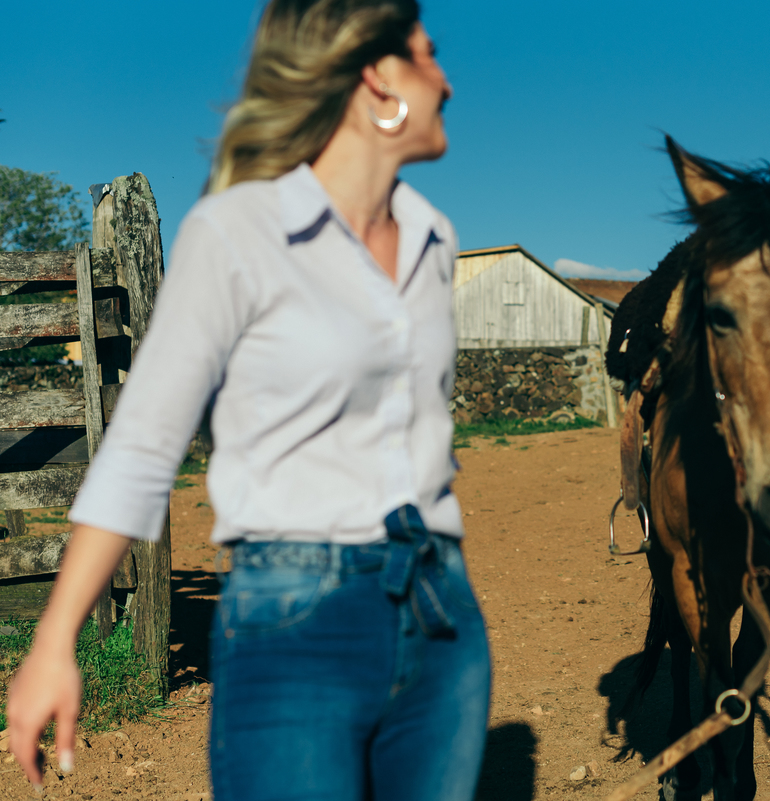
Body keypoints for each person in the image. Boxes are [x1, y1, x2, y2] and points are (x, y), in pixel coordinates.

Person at [6, 1, 491, 798]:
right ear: (377, 76)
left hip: (441, 612)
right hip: (294, 616)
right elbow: (140, 446)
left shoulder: (434, 238)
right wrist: (56, 636)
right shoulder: (239, 232)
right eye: (428, 54)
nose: (447, 80)